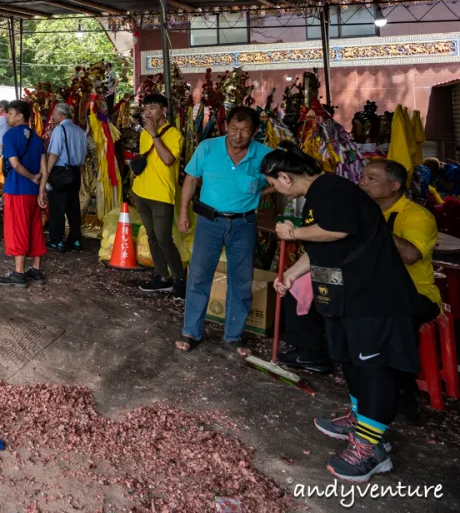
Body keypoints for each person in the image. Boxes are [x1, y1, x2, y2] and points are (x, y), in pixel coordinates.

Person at [266, 144, 420, 482]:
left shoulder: (331, 190)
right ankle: (359, 415)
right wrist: (292, 274)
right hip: (346, 296)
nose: (275, 189)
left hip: (373, 297)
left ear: (284, 177)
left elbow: (338, 229)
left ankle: (372, 447)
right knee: (350, 360)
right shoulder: (321, 195)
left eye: (274, 184)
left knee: (373, 367)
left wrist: (291, 233)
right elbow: (325, 242)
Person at [176, 106, 272, 354]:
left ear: (255, 132)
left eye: (244, 130)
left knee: (241, 281)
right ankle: (191, 331)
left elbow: (285, 180)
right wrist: (184, 212)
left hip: (244, 224)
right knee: (199, 276)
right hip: (210, 222)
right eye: (233, 128)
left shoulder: (265, 155)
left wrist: (261, 193)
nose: (238, 135)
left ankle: (233, 335)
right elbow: (191, 179)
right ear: (225, 126)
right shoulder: (208, 147)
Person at [358, 158, 445, 423]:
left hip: (416, 293)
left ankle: (406, 401)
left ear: (395, 185)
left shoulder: (418, 216)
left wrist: (378, 226)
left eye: (372, 178)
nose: (363, 182)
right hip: (373, 289)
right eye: (363, 176)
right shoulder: (363, 210)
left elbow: (410, 255)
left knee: (392, 320)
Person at [132, 94, 185, 295]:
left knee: (164, 238)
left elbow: (168, 160)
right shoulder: (144, 133)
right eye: (145, 108)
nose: (147, 112)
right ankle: (161, 276)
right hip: (142, 191)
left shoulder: (173, 134)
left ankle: (180, 278)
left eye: (152, 107)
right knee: (152, 236)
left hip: (162, 194)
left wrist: (155, 134)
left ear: (163, 110)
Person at [0, 100, 46, 285]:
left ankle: (19, 273)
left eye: (9, 113)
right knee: (35, 228)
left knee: (17, 229)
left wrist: (32, 177)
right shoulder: (37, 137)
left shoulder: (10, 136)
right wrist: (41, 191)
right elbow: (45, 168)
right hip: (33, 193)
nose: (7, 116)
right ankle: (36, 270)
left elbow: (15, 164)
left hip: (17, 190)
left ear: (19, 116)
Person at [41, 103, 88, 252]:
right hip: (75, 171)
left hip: (61, 172)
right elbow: (85, 154)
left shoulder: (59, 130)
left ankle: (57, 240)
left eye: (54, 113)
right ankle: (75, 240)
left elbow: (54, 153)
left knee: (57, 207)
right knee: (73, 207)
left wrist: (47, 172)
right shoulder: (80, 131)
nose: (52, 116)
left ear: (61, 115)